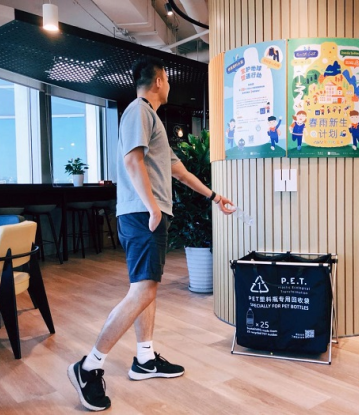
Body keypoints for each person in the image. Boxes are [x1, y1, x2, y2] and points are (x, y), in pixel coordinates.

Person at [68, 56, 235, 412]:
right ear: (159, 81)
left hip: (145, 214)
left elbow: (179, 170)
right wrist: (153, 207)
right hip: (143, 215)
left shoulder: (151, 119)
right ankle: (89, 366)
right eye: (168, 79)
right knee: (142, 290)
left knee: (146, 289)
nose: (170, 85)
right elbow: (132, 160)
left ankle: (144, 358)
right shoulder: (139, 111)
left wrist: (214, 197)